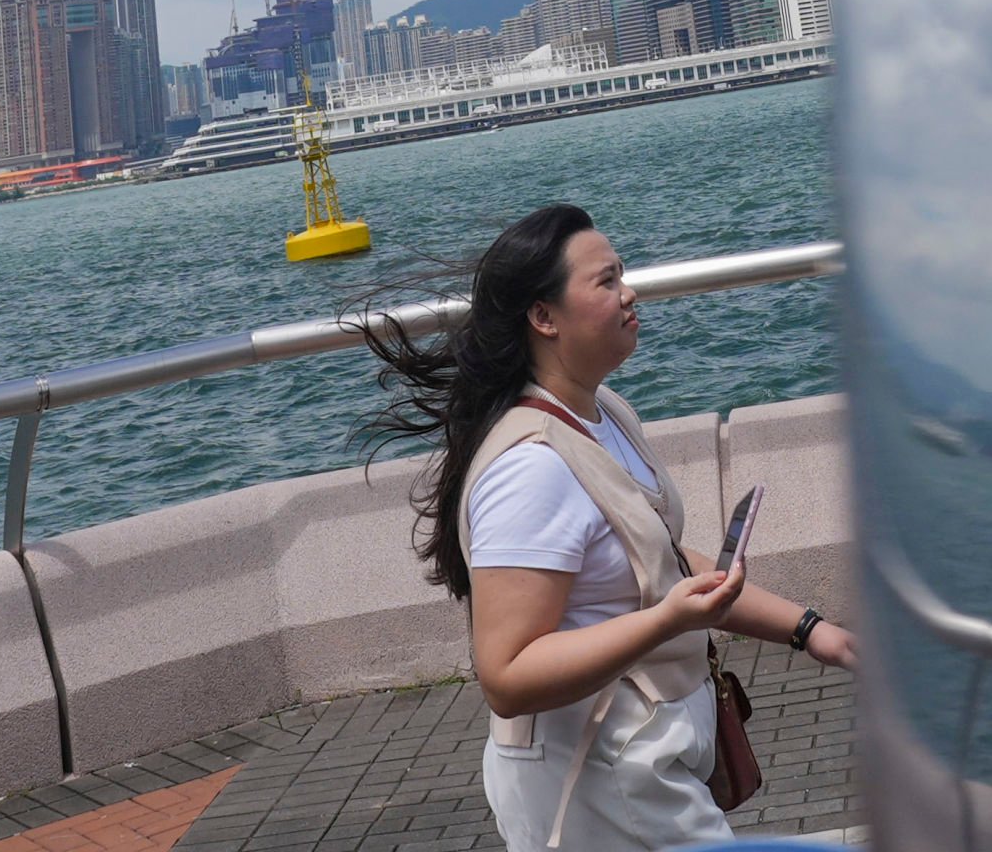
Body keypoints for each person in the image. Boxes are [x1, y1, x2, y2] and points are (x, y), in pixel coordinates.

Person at [367, 204, 856, 852]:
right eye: (605, 281)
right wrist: (665, 621)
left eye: (622, 274)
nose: (629, 294)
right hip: (594, 786)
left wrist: (808, 630)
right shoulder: (530, 470)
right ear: (543, 317)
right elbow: (506, 676)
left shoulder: (604, 413)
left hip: (643, 766)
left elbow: (658, 557)